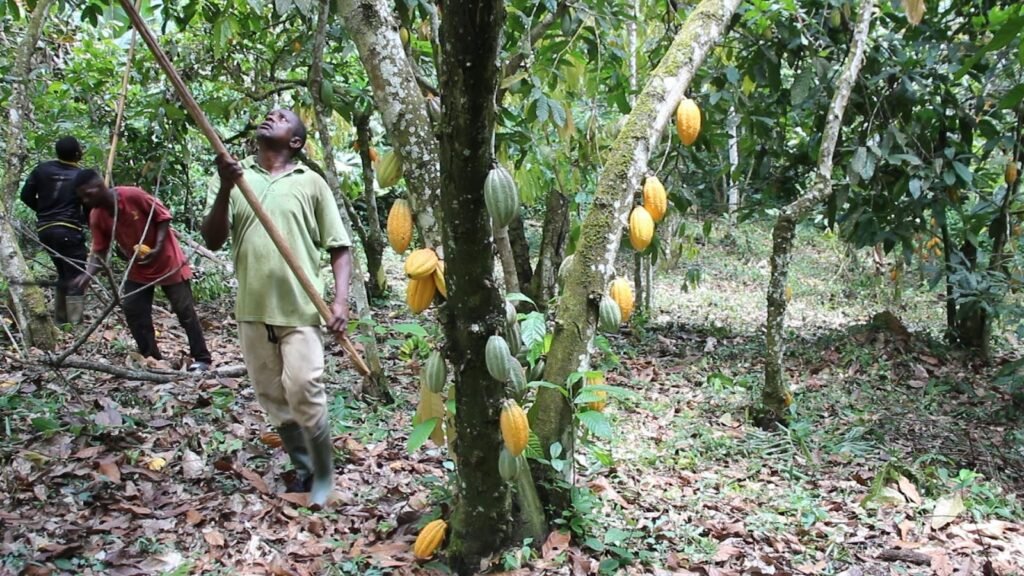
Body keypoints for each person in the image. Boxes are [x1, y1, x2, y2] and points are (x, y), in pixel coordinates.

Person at [202, 109, 352, 508]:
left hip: (301, 308)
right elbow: (213, 238)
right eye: (270, 114)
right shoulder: (237, 177)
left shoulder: (310, 182)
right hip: (252, 310)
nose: (271, 117)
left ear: (296, 142)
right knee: (274, 397)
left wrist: (339, 300)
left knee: (304, 388)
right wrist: (225, 187)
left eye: (282, 117)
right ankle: (305, 469)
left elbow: (339, 247)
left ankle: (324, 474)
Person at [70, 169, 213, 372]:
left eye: (88, 194)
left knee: (185, 311)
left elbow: (163, 216)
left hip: (168, 261)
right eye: (82, 197)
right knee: (134, 310)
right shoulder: (97, 216)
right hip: (138, 267)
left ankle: (202, 358)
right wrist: (87, 275)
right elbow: (99, 250)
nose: (86, 201)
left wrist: (158, 246)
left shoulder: (132, 195)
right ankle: (151, 358)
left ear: (100, 186)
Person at [20, 136, 88, 324]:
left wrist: (43, 212)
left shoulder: (41, 170)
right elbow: (90, 207)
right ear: (77, 154)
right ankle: (74, 322)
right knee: (76, 276)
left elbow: (25, 196)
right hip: (68, 231)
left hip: (45, 231)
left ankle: (62, 319)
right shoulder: (82, 176)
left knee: (64, 274)